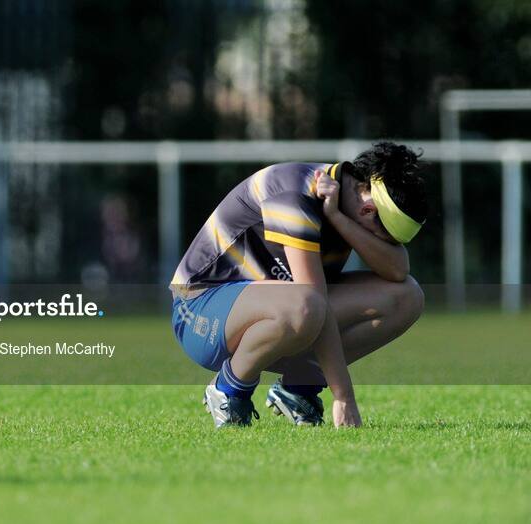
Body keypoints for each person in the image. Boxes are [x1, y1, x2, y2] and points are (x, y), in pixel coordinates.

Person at [170, 142, 428, 428]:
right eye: (387, 237)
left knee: (407, 297)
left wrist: (337, 218)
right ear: (368, 210)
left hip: (284, 312)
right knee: (305, 304)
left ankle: (298, 389)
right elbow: (312, 298)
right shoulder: (293, 191)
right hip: (198, 312)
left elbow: (397, 269)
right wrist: (343, 397)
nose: (385, 246)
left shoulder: (342, 207)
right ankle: (229, 389)